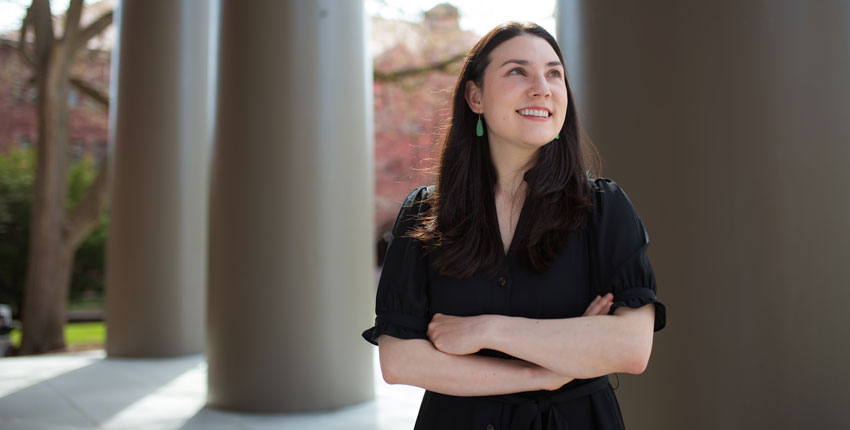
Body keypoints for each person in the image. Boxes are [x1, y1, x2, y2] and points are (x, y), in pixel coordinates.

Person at [362, 21, 666, 430]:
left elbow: (630, 348)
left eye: (554, 73)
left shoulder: (604, 209)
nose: (542, 87)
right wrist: (545, 370)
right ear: (475, 96)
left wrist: (488, 330)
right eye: (517, 71)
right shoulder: (424, 214)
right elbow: (400, 361)